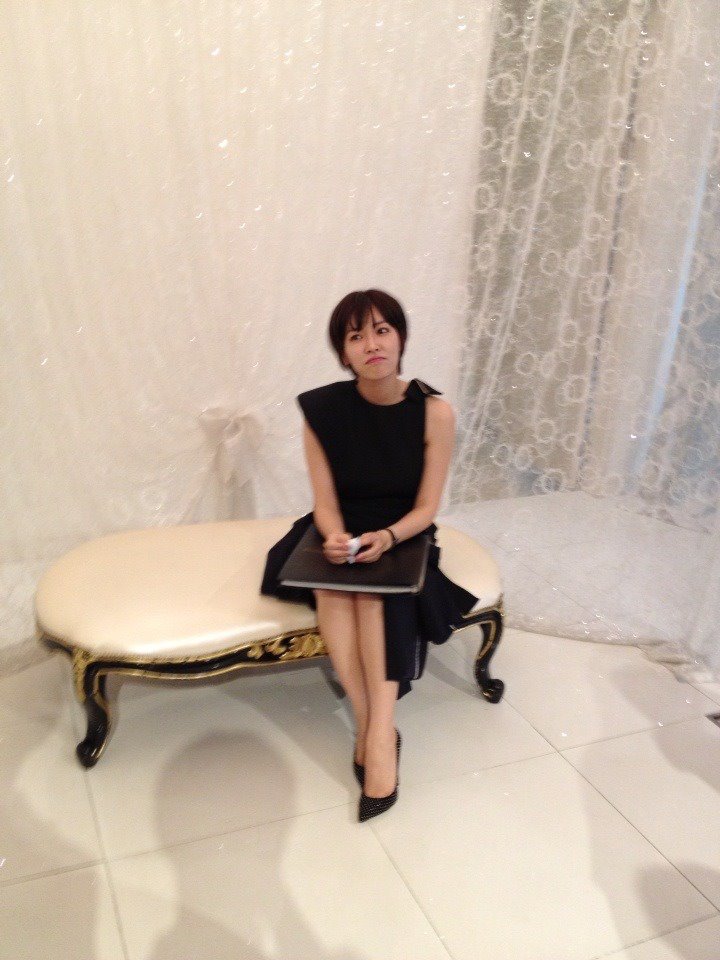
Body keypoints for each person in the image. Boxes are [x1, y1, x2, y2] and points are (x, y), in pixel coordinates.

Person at [260, 289, 479, 821]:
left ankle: (378, 737)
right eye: (356, 336)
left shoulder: (434, 412)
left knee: (377, 596)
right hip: (340, 527)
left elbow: (427, 507)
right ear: (343, 352)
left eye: (382, 330)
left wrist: (389, 535)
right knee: (334, 585)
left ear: (401, 338)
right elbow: (325, 504)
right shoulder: (322, 410)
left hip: (403, 532)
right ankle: (375, 727)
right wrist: (335, 537)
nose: (371, 344)